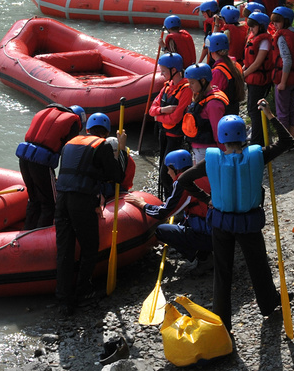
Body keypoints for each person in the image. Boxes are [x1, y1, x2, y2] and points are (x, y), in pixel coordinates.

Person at [177, 106, 294, 331]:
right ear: (244, 137)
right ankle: (269, 304)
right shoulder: (258, 155)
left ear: (221, 138)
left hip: (220, 224)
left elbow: (183, 179)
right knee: (259, 266)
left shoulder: (210, 160)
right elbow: (287, 141)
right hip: (248, 224)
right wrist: (270, 116)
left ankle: (222, 321)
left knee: (223, 273)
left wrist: (206, 198)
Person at [55, 112, 127, 314]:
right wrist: (121, 149)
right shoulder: (101, 145)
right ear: (105, 133)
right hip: (81, 200)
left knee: (65, 249)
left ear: (87, 130)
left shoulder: (70, 143)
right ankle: (82, 292)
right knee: (89, 247)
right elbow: (117, 175)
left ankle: (63, 299)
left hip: (61, 200)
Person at [124, 150, 212, 271]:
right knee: (182, 222)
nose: (167, 172)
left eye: (168, 169)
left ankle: (203, 257)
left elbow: (164, 213)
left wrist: (142, 204)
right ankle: (203, 251)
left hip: (209, 235)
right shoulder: (201, 174)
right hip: (220, 232)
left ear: (175, 168)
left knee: (161, 231)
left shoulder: (182, 181)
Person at [16, 104, 86, 229]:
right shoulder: (73, 122)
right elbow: (69, 152)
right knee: (49, 203)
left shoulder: (46, 112)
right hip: (41, 163)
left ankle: (28, 231)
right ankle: (40, 237)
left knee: (34, 199)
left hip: (24, 159)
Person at [149, 53, 192, 200]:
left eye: (164, 71)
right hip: (163, 133)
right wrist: (162, 110)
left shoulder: (186, 89)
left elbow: (176, 118)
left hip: (175, 137)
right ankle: (167, 200)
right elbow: (151, 110)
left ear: (174, 70)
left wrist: (158, 116)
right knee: (162, 169)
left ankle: (176, 202)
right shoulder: (167, 87)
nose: (162, 74)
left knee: (166, 174)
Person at [270, 6, 294, 138]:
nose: (274, 25)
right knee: (292, 109)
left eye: (277, 21)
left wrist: (282, 82)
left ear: (285, 21)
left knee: (282, 112)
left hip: (285, 79)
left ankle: (284, 142)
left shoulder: (282, 37)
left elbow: (287, 60)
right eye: (273, 21)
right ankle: (291, 139)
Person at [181, 63, 228, 164]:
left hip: (208, 150)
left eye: (192, 83)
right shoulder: (202, 97)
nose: (189, 86)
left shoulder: (213, 104)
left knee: (204, 179)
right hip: (197, 148)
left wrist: (225, 153)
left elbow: (218, 132)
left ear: (203, 81)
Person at [242, 11, 274, 145]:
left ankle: (258, 140)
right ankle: (261, 137)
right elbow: (250, 61)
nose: (250, 28)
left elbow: (257, 63)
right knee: (251, 109)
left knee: (255, 110)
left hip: (259, 80)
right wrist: (243, 69)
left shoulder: (265, 41)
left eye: (253, 26)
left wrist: (244, 74)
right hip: (253, 78)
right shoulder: (254, 38)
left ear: (261, 26)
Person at [206, 32, 245, 117]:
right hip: (234, 107)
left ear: (211, 51)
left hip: (223, 111)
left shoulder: (217, 72)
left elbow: (213, 96)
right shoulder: (236, 64)